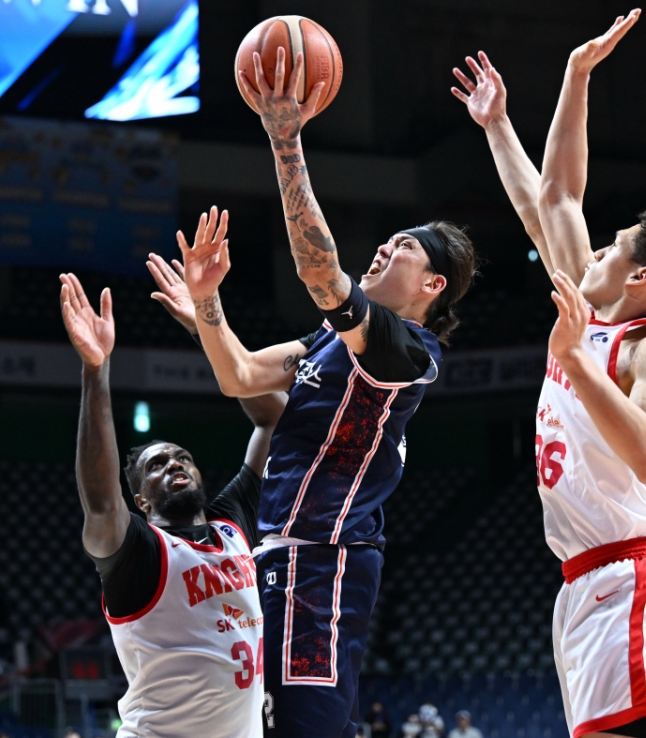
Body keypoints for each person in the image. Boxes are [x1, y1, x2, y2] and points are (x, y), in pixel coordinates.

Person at [177, 43, 477, 738]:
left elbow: (321, 274)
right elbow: (240, 375)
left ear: (432, 286)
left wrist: (287, 142)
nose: (385, 248)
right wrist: (206, 304)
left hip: (323, 562)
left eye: (404, 247)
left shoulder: (406, 349)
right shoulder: (327, 341)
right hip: (282, 554)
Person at [451, 10, 646, 738]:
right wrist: (566, 81)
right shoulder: (590, 317)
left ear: (642, 279)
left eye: (612, 249)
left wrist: (575, 366)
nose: (592, 251)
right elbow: (556, 198)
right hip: (586, 586)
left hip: (633, 579)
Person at [59, 267, 287, 738]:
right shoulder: (139, 555)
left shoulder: (232, 522)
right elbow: (102, 502)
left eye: (182, 457)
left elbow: (273, 423)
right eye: (158, 464)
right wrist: (95, 370)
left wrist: (203, 326)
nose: (175, 464)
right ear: (140, 499)